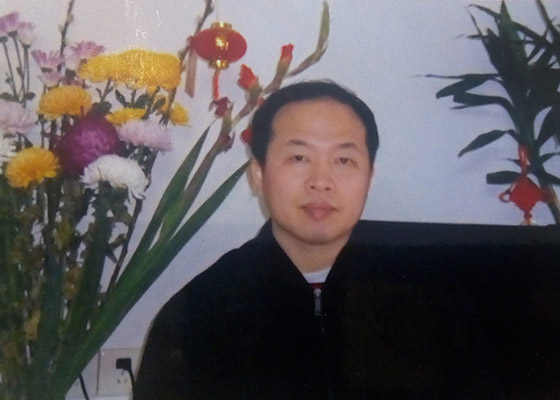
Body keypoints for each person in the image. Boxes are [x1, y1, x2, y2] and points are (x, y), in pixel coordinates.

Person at [134, 81, 502, 399]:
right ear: (258, 175)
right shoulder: (199, 313)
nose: (321, 181)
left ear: (369, 177)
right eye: (299, 157)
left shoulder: (432, 297)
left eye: (343, 160)